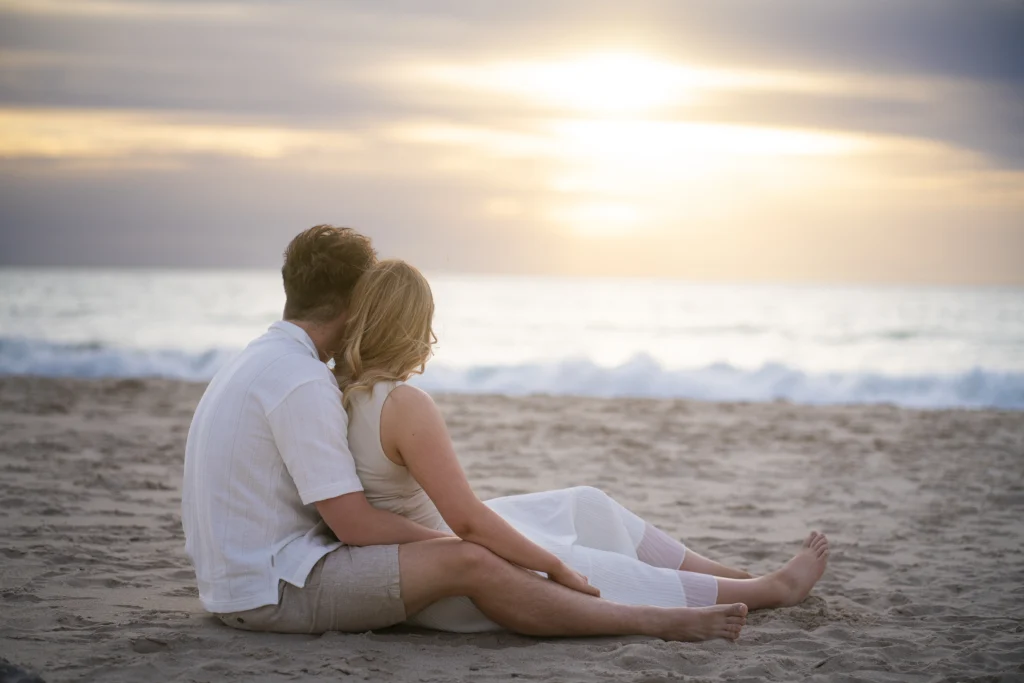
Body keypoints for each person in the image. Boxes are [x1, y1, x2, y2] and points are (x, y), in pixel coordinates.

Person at [178, 225, 799, 641]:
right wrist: (462, 542)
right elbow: (355, 526)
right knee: (473, 557)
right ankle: (649, 619)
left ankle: (731, 579)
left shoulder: (258, 361)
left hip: (247, 574)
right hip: (271, 589)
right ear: (354, 302)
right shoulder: (301, 383)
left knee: (544, 517)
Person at [331, 258, 830, 632]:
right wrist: (549, 564)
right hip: (447, 574)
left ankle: (735, 577)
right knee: (591, 568)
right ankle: (772, 590)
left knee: (583, 505)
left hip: (426, 544)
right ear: (414, 327)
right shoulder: (403, 404)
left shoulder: (338, 392)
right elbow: (466, 521)